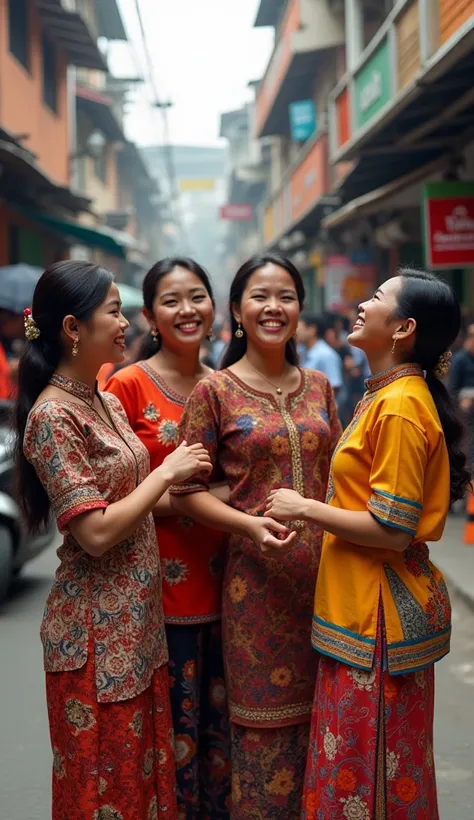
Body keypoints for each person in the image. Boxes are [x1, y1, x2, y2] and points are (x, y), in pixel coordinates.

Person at [265, 269, 470, 819]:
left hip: (376, 619)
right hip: (360, 610)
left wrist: (303, 508)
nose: (361, 304)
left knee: (366, 779)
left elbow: (392, 528)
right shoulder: (386, 394)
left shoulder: (400, 406)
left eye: (376, 298)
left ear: (403, 328)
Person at [14, 261, 213, 820]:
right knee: (104, 790)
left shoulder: (103, 401)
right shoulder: (52, 416)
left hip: (136, 627)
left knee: (141, 784)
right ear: (74, 328)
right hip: (95, 637)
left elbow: (143, 503)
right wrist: (165, 473)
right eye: (113, 311)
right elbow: (96, 532)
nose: (125, 322)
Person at [169, 253, 341, 819]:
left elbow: (341, 477)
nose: (274, 307)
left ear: (300, 308)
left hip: (329, 587)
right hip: (255, 594)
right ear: (239, 311)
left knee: (331, 739)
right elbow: (187, 493)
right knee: (263, 750)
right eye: (260, 296)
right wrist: (249, 525)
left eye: (286, 296)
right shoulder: (213, 392)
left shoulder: (321, 384)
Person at [106, 257, 231, 819]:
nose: (188, 310)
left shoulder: (230, 384)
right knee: (171, 743)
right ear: (152, 315)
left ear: (214, 306)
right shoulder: (125, 387)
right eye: (172, 300)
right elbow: (107, 500)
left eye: (197, 296)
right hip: (158, 596)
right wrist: (195, 498)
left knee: (225, 743)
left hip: (234, 590)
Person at [298, 312, 343, 394]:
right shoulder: (302, 351)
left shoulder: (326, 355)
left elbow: (334, 386)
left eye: (299, 328)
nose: (296, 332)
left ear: (312, 330)